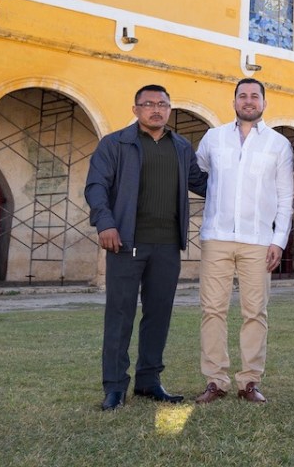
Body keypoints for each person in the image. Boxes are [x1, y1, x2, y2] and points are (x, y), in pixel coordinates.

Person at [84, 84, 208, 411]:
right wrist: (105, 223)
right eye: (148, 104)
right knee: (120, 314)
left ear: (169, 109)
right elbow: (96, 186)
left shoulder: (181, 146)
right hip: (126, 242)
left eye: (163, 104)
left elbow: (205, 183)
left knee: (158, 315)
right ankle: (114, 387)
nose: (156, 109)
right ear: (135, 109)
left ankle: (149, 381)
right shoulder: (115, 144)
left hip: (167, 244)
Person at [193, 78, 294, 404]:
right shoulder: (213, 138)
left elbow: (285, 196)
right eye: (243, 96)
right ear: (234, 100)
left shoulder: (278, 145)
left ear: (264, 103)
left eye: (255, 96)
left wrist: (278, 241)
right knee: (212, 310)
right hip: (216, 237)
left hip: (258, 240)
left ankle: (249, 381)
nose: (248, 101)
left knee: (255, 312)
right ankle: (216, 380)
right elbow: (202, 174)